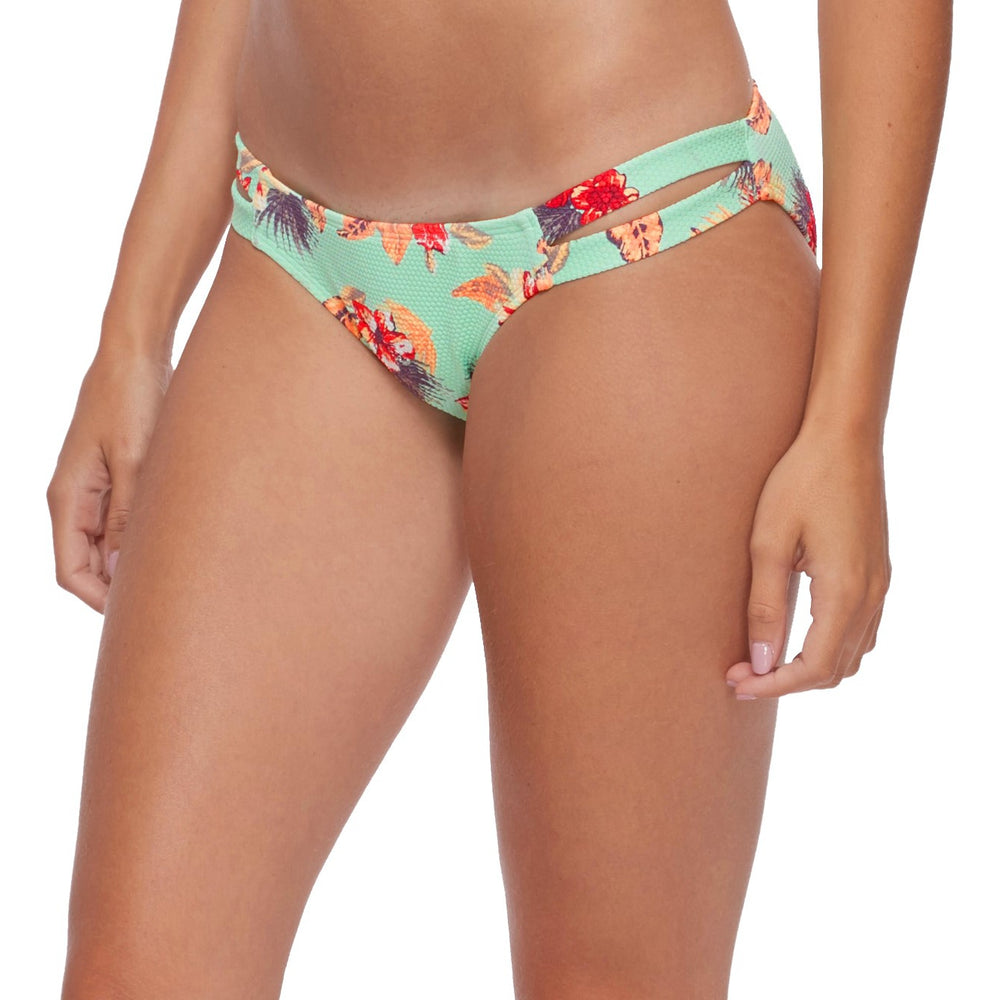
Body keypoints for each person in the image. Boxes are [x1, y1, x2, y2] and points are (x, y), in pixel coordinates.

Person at [45, 0, 951, 997]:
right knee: (133, 973)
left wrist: (849, 421)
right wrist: (132, 333)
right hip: (301, 244)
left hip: (630, 227)